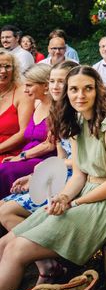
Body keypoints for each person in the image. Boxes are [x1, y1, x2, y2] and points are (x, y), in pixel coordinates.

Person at [0, 66, 106, 290]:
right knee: (5, 242)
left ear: (98, 90)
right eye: (74, 89)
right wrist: (63, 196)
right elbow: (81, 174)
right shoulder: (76, 123)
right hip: (85, 190)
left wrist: (74, 203)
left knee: (17, 250)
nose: (80, 95)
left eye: (88, 89)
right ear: (67, 93)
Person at [0, 61, 78, 282]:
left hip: (69, 175)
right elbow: (63, 155)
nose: (55, 86)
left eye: (59, 82)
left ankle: (44, 258)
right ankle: (43, 262)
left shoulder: (73, 114)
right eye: (52, 81)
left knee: (5, 182)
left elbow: (72, 158)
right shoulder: (55, 110)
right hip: (57, 168)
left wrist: (32, 165)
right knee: (3, 208)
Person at [0, 64, 56, 199]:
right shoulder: (37, 104)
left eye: (29, 85)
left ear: (46, 86)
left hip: (44, 159)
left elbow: (50, 145)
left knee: (4, 169)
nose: (25, 90)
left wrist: (21, 156)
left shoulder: (56, 109)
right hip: (27, 155)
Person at [0, 50, 34, 158]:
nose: (3, 71)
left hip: (12, 152)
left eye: (7, 66)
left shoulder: (23, 92)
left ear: (14, 69)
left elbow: (24, 133)